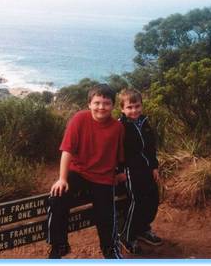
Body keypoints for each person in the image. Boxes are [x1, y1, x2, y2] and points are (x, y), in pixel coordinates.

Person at [46, 84, 125, 259]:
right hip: (79, 172)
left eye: (106, 103)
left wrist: (120, 172)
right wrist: (62, 179)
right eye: (97, 103)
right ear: (89, 103)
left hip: (103, 177)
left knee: (106, 215)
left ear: (113, 105)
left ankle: (110, 251)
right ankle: (59, 246)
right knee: (56, 198)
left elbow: (119, 154)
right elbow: (67, 150)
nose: (101, 107)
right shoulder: (79, 119)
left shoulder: (117, 127)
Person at [117, 88, 162, 255]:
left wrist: (154, 166)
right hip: (130, 171)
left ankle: (143, 229)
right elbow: (116, 151)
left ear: (141, 106)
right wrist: (119, 171)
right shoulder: (120, 126)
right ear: (122, 109)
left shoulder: (144, 122)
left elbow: (150, 147)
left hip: (146, 169)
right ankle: (127, 235)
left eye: (137, 106)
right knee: (136, 202)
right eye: (129, 107)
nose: (134, 110)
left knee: (152, 199)